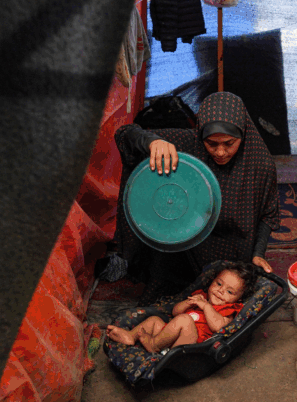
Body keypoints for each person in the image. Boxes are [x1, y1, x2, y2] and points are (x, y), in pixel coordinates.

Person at [110, 92, 279, 305]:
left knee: (229, 306)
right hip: (185, 245)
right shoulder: (189, 145)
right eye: (211, 143)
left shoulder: (260, 165)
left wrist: (258, 253)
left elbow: (268, 214)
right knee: (163, 304)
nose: (220, 152)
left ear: (243, 135)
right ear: (201, 135)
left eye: (229, 143)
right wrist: (152, 142)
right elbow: (124, 134)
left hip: (231, 253)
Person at [106, 261, 257, 352]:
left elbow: (218, 327)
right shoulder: (201, 296)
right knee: (154, 320)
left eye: (229, 291)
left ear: (238, 299)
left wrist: (206, 307)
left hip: (192, 345)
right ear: (212, 281)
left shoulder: (229, 310)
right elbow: (175, 312)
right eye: (218, 283)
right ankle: (130, 336)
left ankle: (154, 346)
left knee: (185, 320)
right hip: (170, 335)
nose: (220, 291)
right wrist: (188, 303)